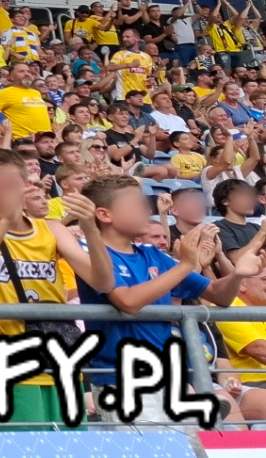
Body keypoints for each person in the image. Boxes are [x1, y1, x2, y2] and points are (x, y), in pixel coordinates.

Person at [79, 173, 264, 427]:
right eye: (135, 204)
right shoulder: (92, 253)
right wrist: (187, 263)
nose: (147, 210)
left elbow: (218, 294)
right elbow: (128, 302)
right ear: (104, 214)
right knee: (150, 453)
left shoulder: (152, 254)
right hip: (123, 381)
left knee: (195, 450)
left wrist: (238, 274)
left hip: (170, 378)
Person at [0, 149, 111, 426]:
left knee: (74, 443)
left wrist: (91, 230)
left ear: (26, 186)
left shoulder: (52, 229)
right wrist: (4, 223)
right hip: (11, 361)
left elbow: (103, 282)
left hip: (60, 355)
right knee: (28, 443)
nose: (2, 194)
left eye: (9, 185)